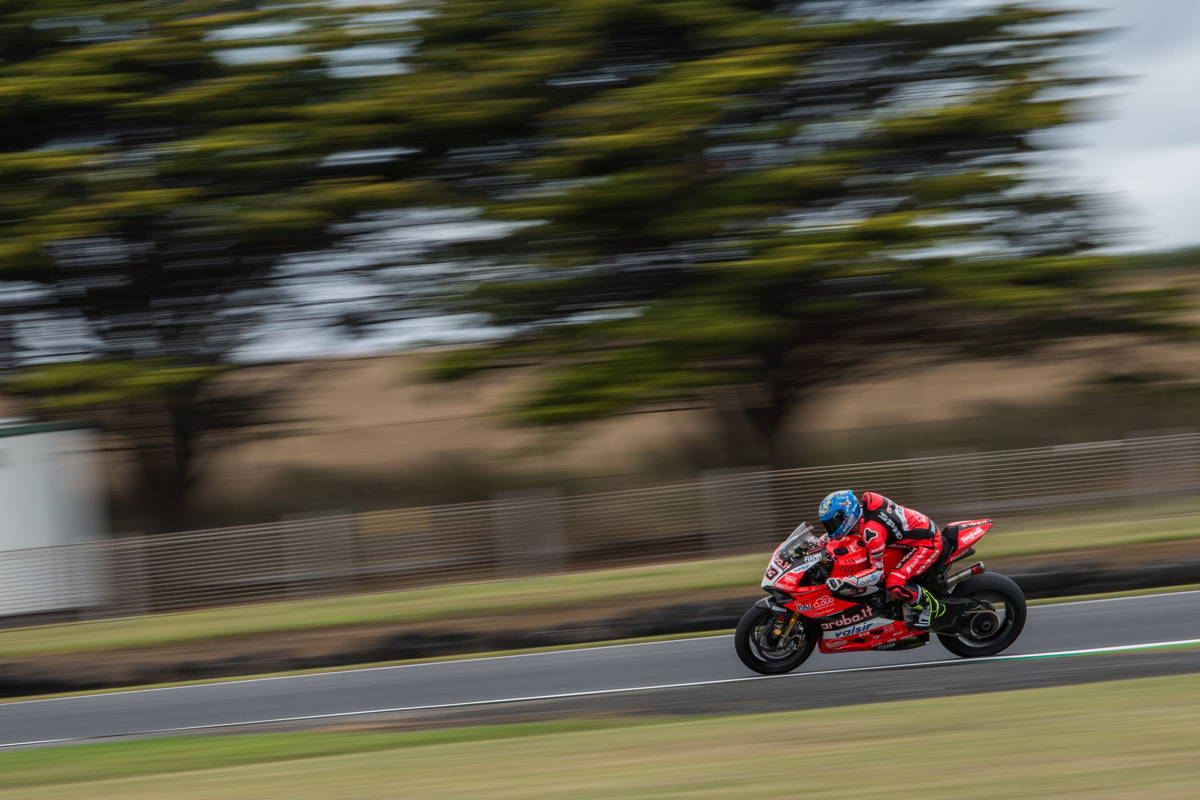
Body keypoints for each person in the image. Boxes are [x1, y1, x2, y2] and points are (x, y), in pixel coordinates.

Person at [817, 489, 946, 629]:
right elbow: (831, 537)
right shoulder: (860, 514)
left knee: (895, 582)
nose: (831, 528)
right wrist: (815, 544)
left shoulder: (872, 531)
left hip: (927, 543)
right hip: (913, 533)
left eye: (832, 523)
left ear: (846, 516)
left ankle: (932, 607)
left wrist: (845, 581)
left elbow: (877, 573)